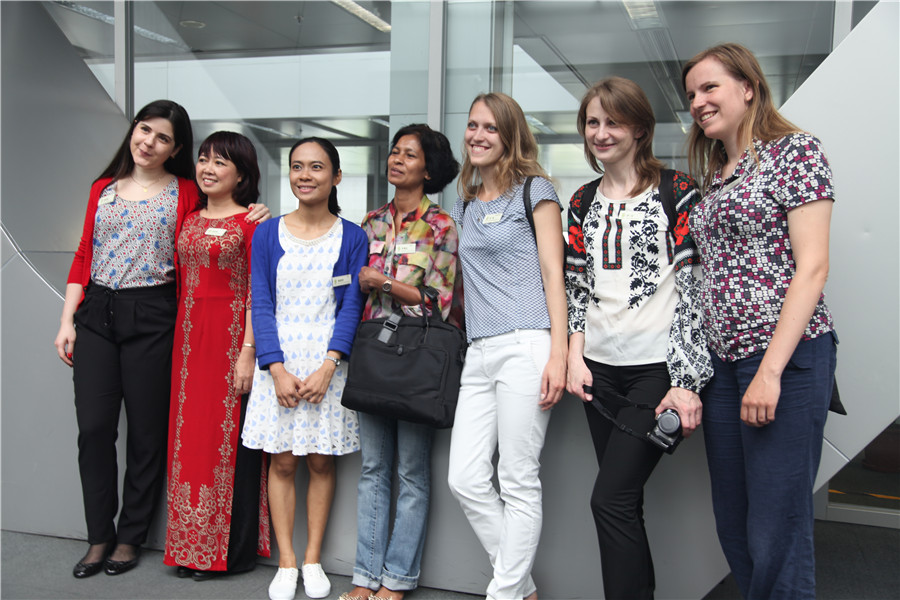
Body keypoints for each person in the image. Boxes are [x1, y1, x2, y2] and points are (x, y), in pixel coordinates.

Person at [53, 100, 269, 580]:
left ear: (175, 149)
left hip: (154, 313)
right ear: (133, 131)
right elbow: (84, 253)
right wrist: (67, 320)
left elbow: (222, 218)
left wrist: (257, 209)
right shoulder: (102, 189)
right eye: (143, 130)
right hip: (96, 314)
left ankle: (130, 537)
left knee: (149, 434)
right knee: (93, 430)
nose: (148, 142)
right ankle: (98, 537)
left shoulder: (187, 191)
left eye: (163, 137)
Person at [682, 43, 837, 599]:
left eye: (710, 87)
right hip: (724, 367)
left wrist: (770, 371)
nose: (698, 102)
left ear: (748, 87)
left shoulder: (794, 153)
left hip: (785, 361)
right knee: (735, 519)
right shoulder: (718, 176)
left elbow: (813, 267)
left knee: (777, 525)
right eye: (692, 94)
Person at [563, 77, 712, 599]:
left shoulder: (677, 191)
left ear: (641, 129)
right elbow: (575, 287)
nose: (601, 133)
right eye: (592, 122)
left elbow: (696, 292)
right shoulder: (581, 201)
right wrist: (574, 358)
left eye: (613, 121)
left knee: (610, 501)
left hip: (657, 372)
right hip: (598, 372)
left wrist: (688, 379)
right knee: (625, 503)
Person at [446, 92, 567, 600]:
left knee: (518, 480)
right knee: (466, 479)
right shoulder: (465, 204)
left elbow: (553, 275)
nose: (477, 135)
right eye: (472, 125)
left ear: (510, 135)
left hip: (528, 344)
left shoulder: (535, 191)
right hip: (479, 351)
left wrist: (560, 353)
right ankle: (522, 588)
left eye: (490, 128)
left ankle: (504, 594)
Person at [241, 137, 367, 600]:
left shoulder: (353, 236)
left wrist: (330, 365)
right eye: (297, 167)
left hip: (326, 363)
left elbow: (352, 306)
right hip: (280, 360)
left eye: (317, 167)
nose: (305, 175)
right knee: (282, 460)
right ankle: (286, 563)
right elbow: (261, 300)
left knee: (319, 459)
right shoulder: (266, 233)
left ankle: (313, 559)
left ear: (335, 177)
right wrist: (273, 367)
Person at [339, 124, 461, 600]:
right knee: (373, 469)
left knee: (411, 471)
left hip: (417, 357)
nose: (397, 160)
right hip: (372, 352)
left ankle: (397, 580)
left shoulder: (442, 226)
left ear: (427, 169)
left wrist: (384, 282)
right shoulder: (369, 222)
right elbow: (353, 289)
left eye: (409, 155)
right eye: (394, 152)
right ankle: (365, 579)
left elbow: (440, 303)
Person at [163, 131, 271, 580]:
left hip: (231, 346)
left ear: (242, 174)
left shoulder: (255, 223)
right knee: (190, 445)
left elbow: (257, 292)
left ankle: (230, 552)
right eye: (204, 159)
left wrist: (248, 353)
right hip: (188, 349)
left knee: (228, 447)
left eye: (220, 162)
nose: (208, 168)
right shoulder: (187, 219)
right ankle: (190, 549)